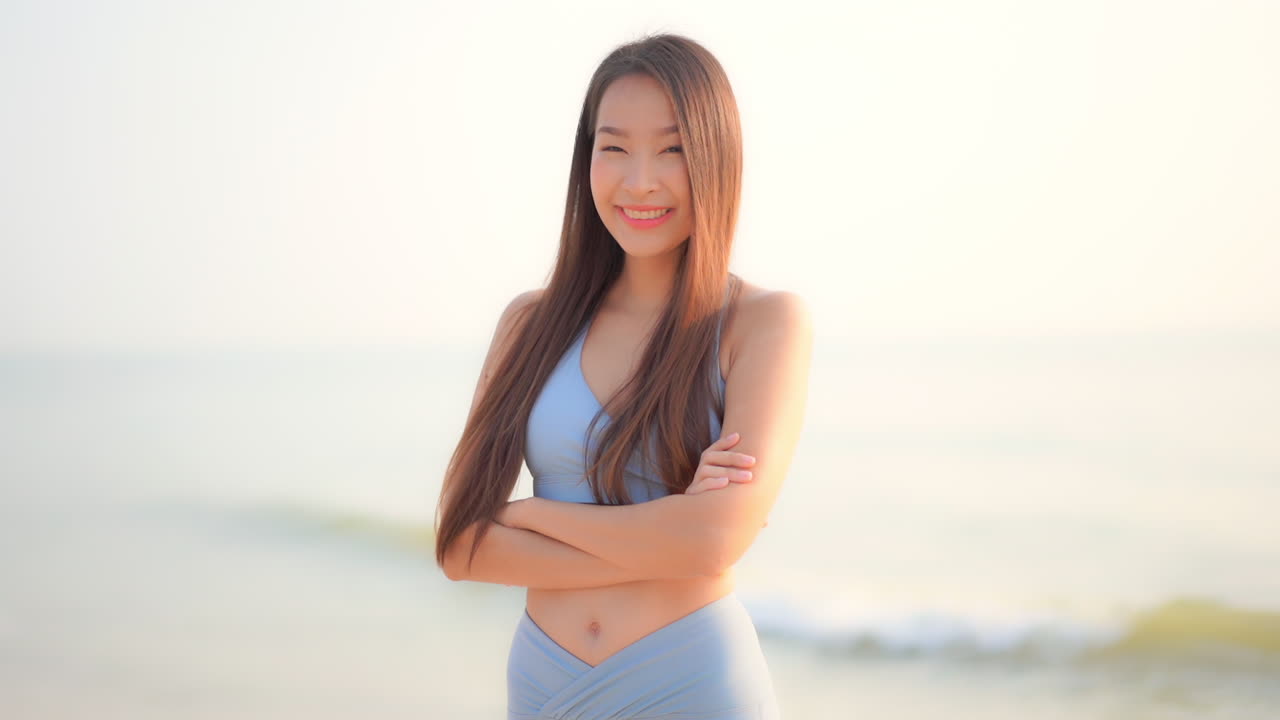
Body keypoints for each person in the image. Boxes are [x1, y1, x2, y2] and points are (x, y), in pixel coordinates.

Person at [434, 32, 811, 720]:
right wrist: (673, 537)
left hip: (692, 680)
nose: (640, 180)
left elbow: (717, 540)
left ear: (716, 159)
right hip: (546, 683)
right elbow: (460, 545)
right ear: (587, 161)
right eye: (615, 148)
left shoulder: (762, 323)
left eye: (672, 149)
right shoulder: (529, 324)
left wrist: (533, 516)